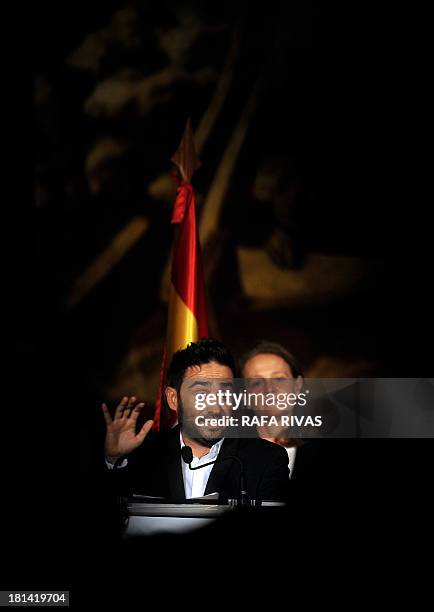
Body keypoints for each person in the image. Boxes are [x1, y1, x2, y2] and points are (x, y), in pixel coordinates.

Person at [102, 338, 290, 503]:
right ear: (173, 399)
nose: (215, 408)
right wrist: (114, 460)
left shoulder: (267, 460)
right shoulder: (145, 454)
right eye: (201, 393)